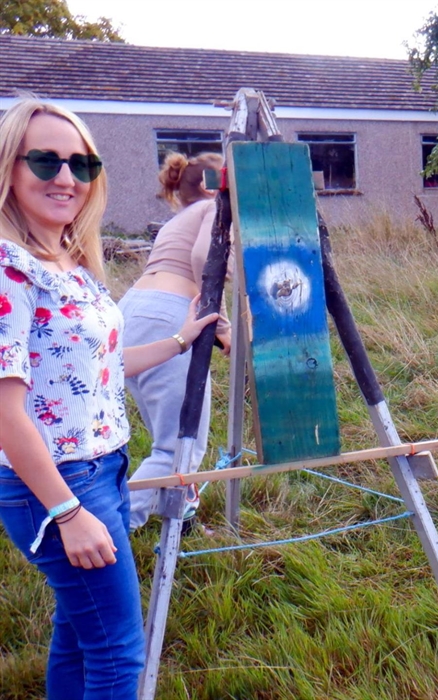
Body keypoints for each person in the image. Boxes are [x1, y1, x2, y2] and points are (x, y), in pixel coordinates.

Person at [0, 97, 219, 699]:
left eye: (82, 164)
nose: (66, 178)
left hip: (104, 468)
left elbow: (96, 368)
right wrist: (65, 512)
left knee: (78, 635)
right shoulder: (8, 266)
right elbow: (4, 413)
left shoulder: (64, 259)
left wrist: (180, 340)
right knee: (122, 654)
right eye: (45, 162)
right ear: (8, 168)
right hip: (61, 484)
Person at [118, 151, 231, 532]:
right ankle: (114, 532)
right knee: (177, 447)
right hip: (168, 316)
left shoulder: (178, 218)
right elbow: (204, 257)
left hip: (131, 312)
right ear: (210, 185)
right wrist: (221, 324)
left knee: (169, 439)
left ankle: (180, 515)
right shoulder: (216, 207)